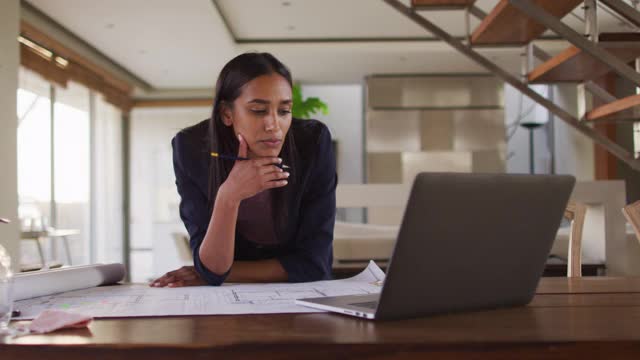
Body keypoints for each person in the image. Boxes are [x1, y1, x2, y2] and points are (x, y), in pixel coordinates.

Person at [150, 52, 337, 287]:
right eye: (259, 110)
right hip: (229, 301)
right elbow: (213, 266)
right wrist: (229, 195)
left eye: (284, 111)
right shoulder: (191, 149)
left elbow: (314, 265)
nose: (273, 126)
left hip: (301, 298)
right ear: (227, 114)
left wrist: (218, 272)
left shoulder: (312, 143)